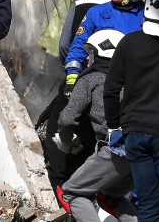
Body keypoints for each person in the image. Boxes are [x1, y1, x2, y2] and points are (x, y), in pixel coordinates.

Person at [103, 0, 159, 222]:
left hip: (134, 133)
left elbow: (110, 90)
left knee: (148, 206)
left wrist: (114, 126)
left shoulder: (129, 43)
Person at [54, 29, 137, 222]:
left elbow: (66, 119)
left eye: (91, 52)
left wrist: (66, 141)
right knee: (111, 196)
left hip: (117, 148)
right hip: (145, 148)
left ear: (101, 53)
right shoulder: (134, 78)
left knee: (71, 192)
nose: (87, 58)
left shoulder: (91, 78)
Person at [65, 0, 147, 97]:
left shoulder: (147, 15)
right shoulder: (96, 13)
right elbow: (79, 46)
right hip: (100, 78)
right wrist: (72, 76)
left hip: (136, 82)